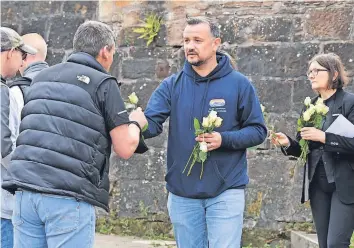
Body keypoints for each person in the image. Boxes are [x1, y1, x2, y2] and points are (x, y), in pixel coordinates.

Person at [2, 21, 147, 247]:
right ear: (105, 51)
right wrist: (136, 123)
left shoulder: (40, 79)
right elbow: (125, 147)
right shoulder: (104, 84)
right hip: (67, 196)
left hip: (25, 192)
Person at [142, 17, 267, 247]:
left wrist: (224, 139)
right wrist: (135, 125)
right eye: (186, 40)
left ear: (215, 43)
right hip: (182, 193)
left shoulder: (239, 84)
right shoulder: (172, 85)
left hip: (226, 190)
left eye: (197, 40)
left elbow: (258, 131)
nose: (190, 46)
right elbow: (151, 123)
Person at [271, 53, 354, 248]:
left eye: (317, 70)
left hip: (346, 184)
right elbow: (303, 149)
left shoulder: (350, 102)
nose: (311, 75)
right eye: (309, 71)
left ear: (334, 74)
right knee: (324, 244)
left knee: (336, 244)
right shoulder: (310, 107)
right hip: (318, 184)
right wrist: (288, 144)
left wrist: (324, 137)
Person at [1, 26, 37, 248]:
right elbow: (4, 145)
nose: (23, 62)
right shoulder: (2, 90)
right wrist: (26, 179)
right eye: (22, 55)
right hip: (4, 202)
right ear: (9, 53)